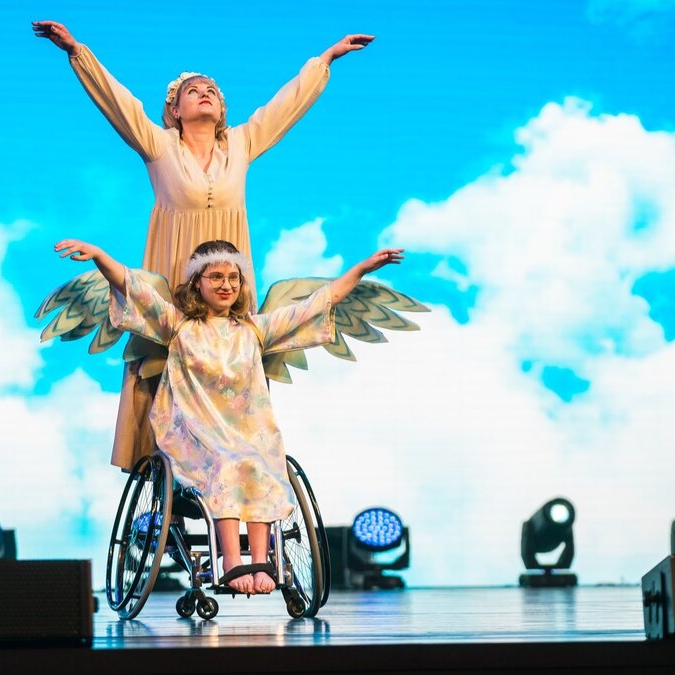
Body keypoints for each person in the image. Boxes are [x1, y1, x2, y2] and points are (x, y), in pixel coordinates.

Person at [33, 19, 376, 471]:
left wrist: (325, 60)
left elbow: (284, 108)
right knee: (168, 355)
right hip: (175, 272)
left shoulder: (242, 144)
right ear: (174, 109)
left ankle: (239, 459)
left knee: (231, 363)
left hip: (229, 277)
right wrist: (77, 51)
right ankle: (167, 461)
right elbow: (119, 104)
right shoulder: (159, 146)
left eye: (212, 89)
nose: (205, 93)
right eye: (193, 91)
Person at [54, 237, 404, 595]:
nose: (226, 285)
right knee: (228, 463)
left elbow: (317, 304)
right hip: (192, 433)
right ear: (197, 283)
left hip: (247, 434)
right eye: (216, 277)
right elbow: (132, 288)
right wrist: (100, 256)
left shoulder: (254, 330)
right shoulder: (178, 326)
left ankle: (262, 560)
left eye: (233, 278)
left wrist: (362, 270)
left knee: (258, 462)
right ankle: (233, 561)